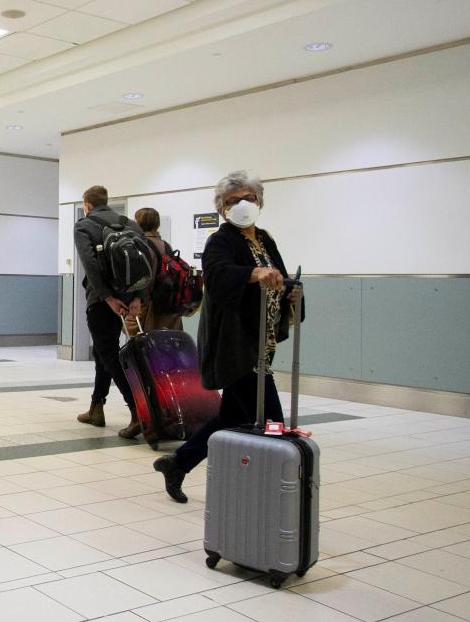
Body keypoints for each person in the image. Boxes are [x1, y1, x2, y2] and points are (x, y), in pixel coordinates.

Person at [152, 171, 303, 503]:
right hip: (235, 347)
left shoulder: (264, 239)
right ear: (222, 208)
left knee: (232, 416)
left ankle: (178, 462)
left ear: (259, 202)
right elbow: (218, 276)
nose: (243, 205)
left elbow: (277, 276)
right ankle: (277, 495)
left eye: (249, 197)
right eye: (234, 200)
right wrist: (252, 273)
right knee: (272, 421)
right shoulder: (221, 240)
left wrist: (291, 290)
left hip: (261, 343)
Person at [73, 185, 145, 439]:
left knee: (110, 356)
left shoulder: (85, 226)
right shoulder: (131, 224)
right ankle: (96, 407)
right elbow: (147, 262)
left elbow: (90, 265)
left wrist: (107, 297)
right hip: (129, 296)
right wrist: (138, 298)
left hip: (102, 300)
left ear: (87, 204)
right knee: (104, 352)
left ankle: (138, 412)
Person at [124, 207, 183, 335]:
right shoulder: (166, 245)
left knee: (145, 346)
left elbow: (139, 279)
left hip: (146, 305)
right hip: (168, 305)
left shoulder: (140, 245)